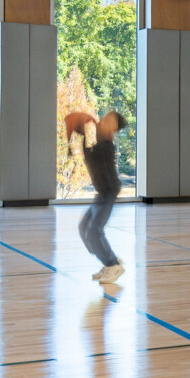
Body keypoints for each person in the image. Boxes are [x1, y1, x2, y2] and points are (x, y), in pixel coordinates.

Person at [64, 110, 126, 283]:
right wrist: (79, 131)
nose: (104, 120)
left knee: (93, 231)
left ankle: (113, 264)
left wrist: (82, 130)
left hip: (109, 192)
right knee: (84, 227)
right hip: (102, 193)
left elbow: (92, 153)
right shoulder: (99, 142)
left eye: (109, 120)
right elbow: (88, 153)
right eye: (105, 117)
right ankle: (108, 260)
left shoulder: (106, 145)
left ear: (113, 128)